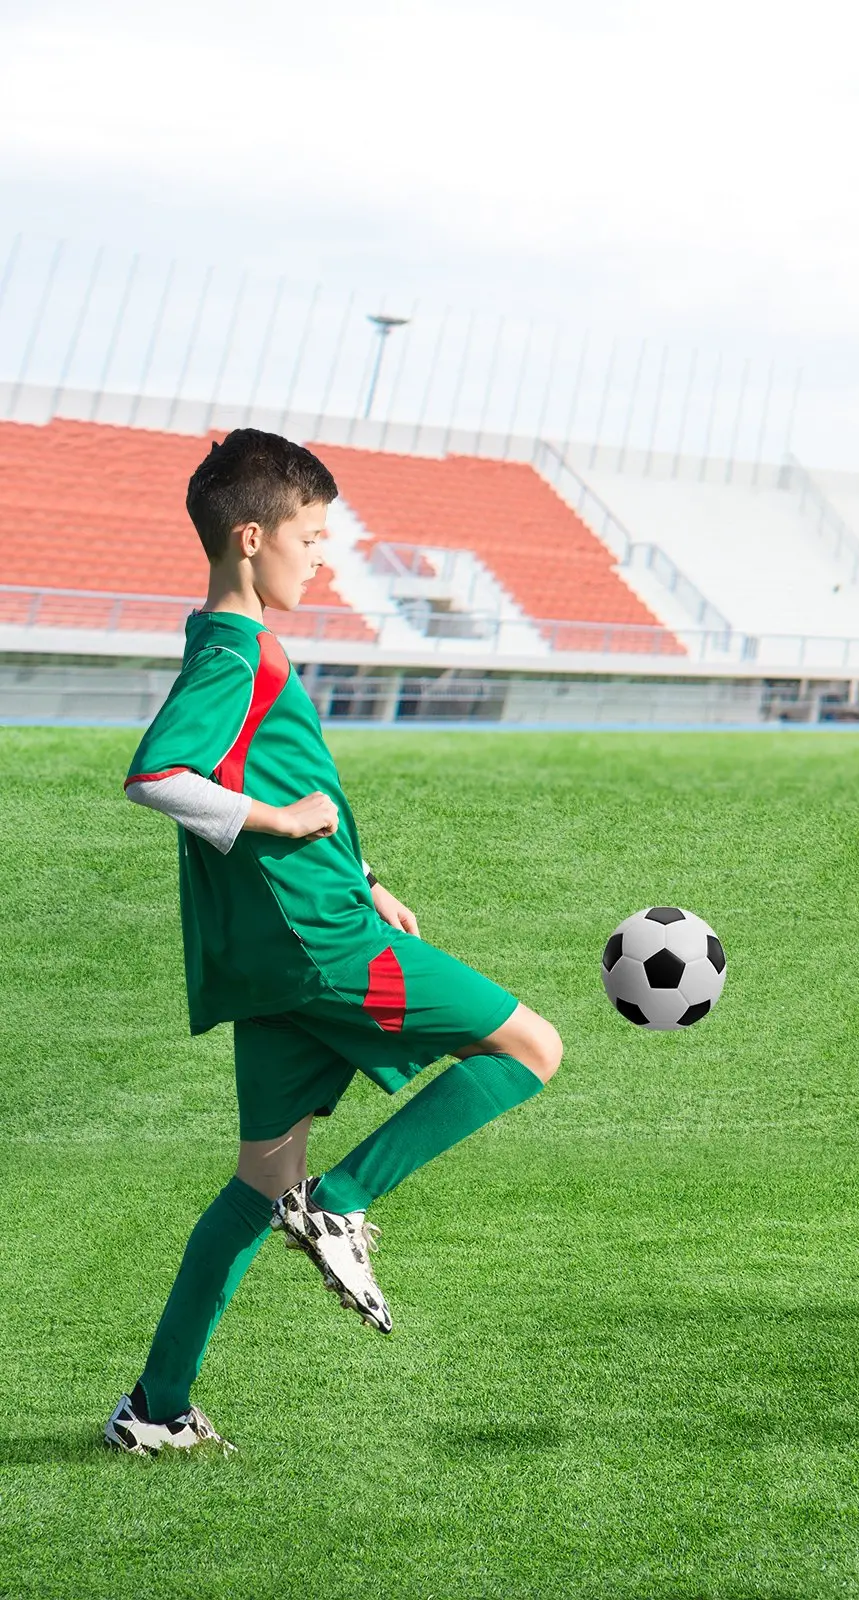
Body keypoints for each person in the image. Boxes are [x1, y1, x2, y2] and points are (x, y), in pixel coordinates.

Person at [104, 429, 561, 1455]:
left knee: (255, 1184)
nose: (324, 557)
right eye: (312, 537)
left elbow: (269, 779)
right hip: (320, 948)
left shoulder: (227, 641)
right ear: (252, 536)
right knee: (532, 1046)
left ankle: (156, 1409)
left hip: (287, 950)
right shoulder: (239, 646)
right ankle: (344, 1203)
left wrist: (359, 869)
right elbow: (157, 777)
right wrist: (285, 826)